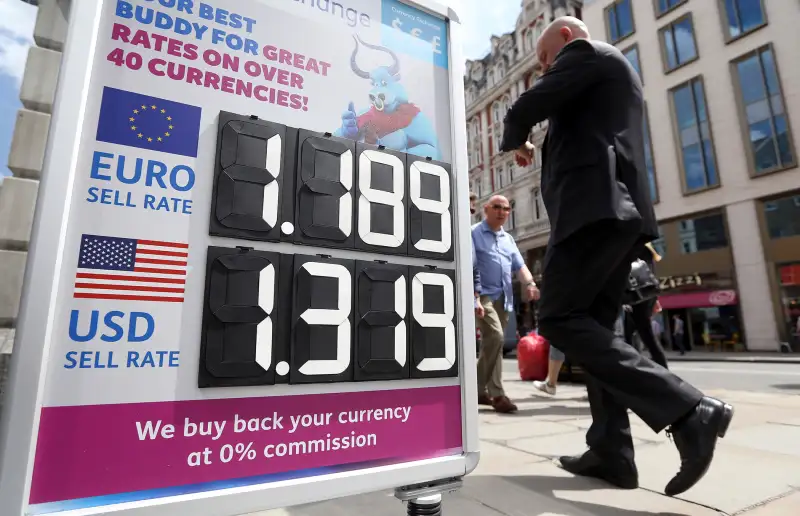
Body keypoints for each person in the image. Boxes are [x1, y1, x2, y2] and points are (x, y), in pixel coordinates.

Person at [499, 16, 733, 497]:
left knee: (560, 320)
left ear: (565, 38)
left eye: (544, 60)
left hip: (594, 209)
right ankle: (611, 452)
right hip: (612, 212)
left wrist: (516, 136)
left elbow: (526, 104)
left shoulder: (588, 54)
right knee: (596, 331)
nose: (544, 70)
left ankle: (689, 410)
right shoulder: (606, 75)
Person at [473, 195, 540, 413]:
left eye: (506, 208)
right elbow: (469, 265)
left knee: (493, 345)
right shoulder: (473, 233)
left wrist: (530, 283)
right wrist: (473, 297)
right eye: (497, 207)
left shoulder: (508, 239)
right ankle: (494, 393)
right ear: (486, 209)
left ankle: (482, 392)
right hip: (482, 296)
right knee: (496, 337)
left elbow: (520, 266)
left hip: (505, 297)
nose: (502, 211)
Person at [624, 242, 669, 368]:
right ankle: (662, 369)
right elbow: (650, 274)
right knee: (645, 335)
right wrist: (654, 298)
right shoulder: (647, 245)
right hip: (647, 294)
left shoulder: (631, 241)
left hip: (634, 295)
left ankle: (633, 371)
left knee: (629, 336)